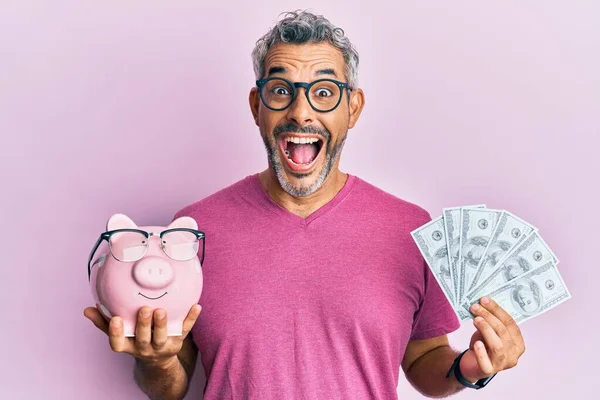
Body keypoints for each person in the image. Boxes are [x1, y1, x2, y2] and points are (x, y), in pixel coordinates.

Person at [84, 10, 526, 400]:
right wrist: (157, 362)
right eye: (281, 91)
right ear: (258, 106)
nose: (301, 112)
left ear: (353, 108)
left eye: (324, 92)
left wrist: (468, 370)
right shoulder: (194, 231)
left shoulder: (410, 228)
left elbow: (424, 360)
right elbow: (171, 386)